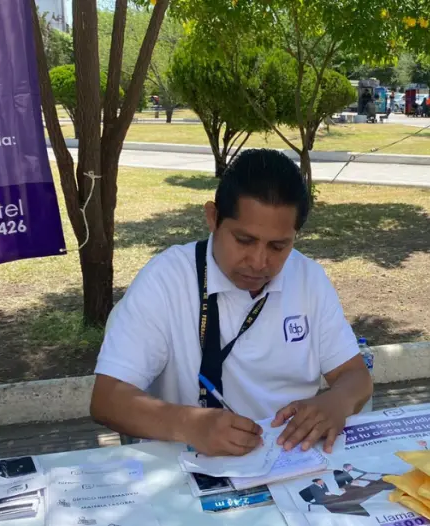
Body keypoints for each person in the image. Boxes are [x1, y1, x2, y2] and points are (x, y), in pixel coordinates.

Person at [90, 149, 373, 457]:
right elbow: (107, 399)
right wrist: (190, 424)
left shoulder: (308, 279)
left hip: (289, 459)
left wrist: (335, 403)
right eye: (244, 240)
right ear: (213, 217)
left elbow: (355, 376)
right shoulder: (167, 279)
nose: (259, 262)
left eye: (278, 246)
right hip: (191, 466)